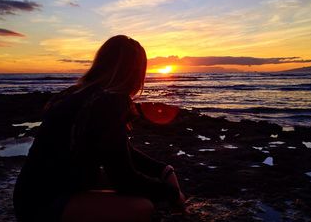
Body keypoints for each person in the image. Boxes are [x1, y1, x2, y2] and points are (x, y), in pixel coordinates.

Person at [13, 35, 186, 222]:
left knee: (138, 191)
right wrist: (172, 195)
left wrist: (163, 170)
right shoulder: (107, 103)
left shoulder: (79, 94)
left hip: (33, 191)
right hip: (43, 203)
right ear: (134, 72)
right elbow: (125, 180)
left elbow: (121, 151)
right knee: (142, 207)